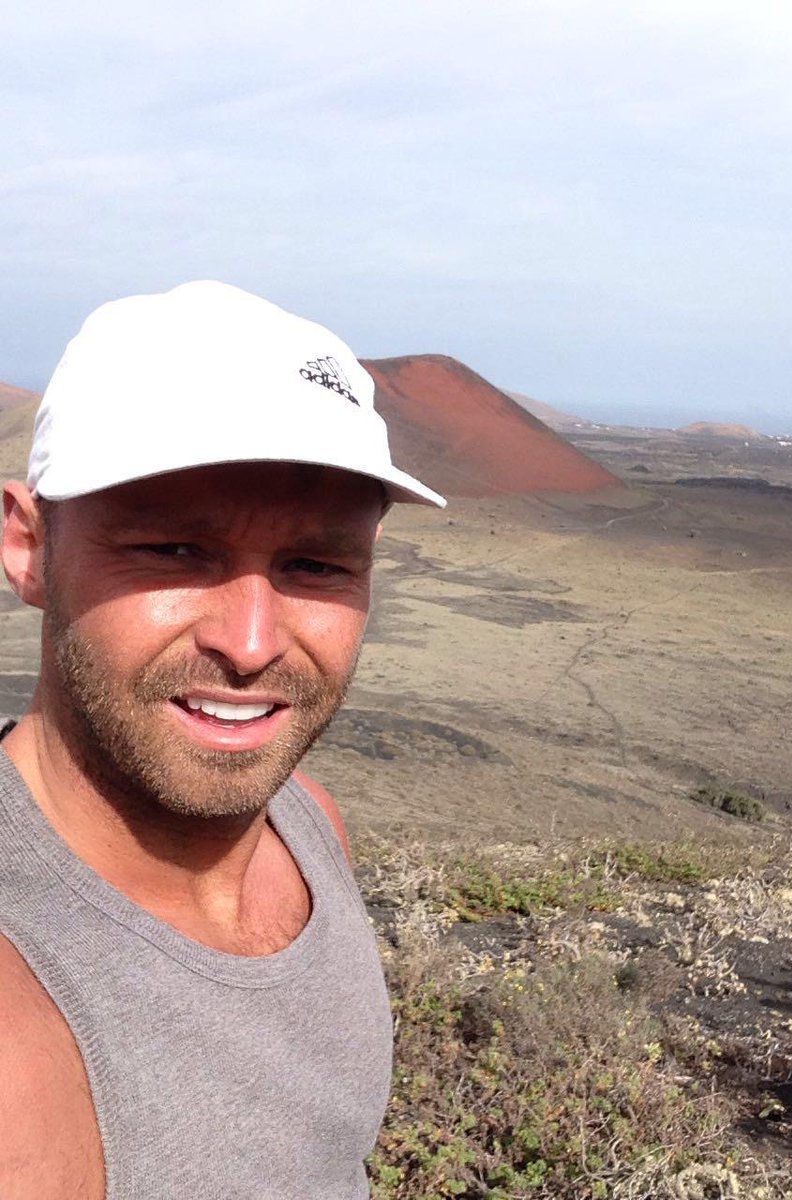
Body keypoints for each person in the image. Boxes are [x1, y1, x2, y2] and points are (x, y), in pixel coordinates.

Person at [0, 281, 445, 1199]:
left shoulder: (307, 826)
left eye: (315, 564)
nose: (249, 644)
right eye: (173, 551)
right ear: (30, 548)